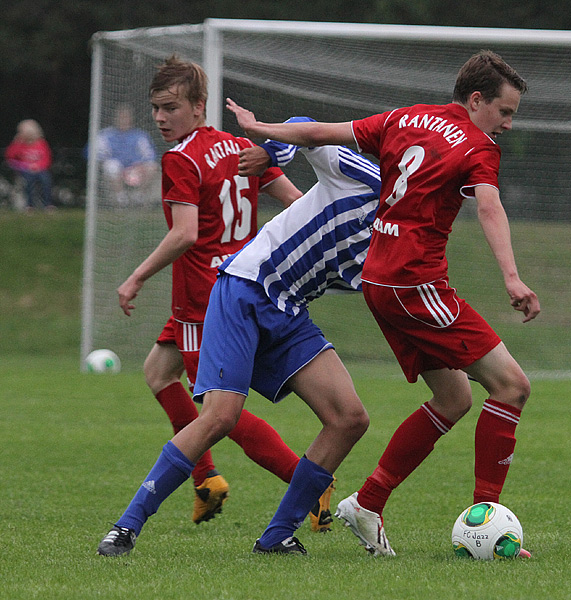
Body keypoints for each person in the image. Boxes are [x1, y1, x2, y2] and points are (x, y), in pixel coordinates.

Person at [227, 49, 540, 557]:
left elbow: (317, 133)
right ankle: (487, 523)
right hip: (415, 283)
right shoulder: (479, 147)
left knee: (455, 399)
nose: (507, 123)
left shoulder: (403, 118)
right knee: (511, 387)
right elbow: (489, 206)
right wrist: (512, 277)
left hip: (379, 281)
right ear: (476, 99)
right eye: (504, 112)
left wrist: (261, 126)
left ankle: (367, 503)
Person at [97, 116, 379, 557]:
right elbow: (305, 127)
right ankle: (126, 527)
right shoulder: (367, 176)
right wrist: (271, 151)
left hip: (288, 310)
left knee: (349, 418)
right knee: (219, 417)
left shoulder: (403, 236)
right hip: (245, 286)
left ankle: (276, 537)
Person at [109, 56, 332, 535]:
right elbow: (297, 202)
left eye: (171, 107)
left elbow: (185, 233)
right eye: (156, 108)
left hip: (203, 301)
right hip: (244, 285)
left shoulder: (181, 159)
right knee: (158, 372)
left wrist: (137, 276)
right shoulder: (240, 147)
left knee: (218, 412)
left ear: (199, 106)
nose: (161, 118)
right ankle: (206, 477)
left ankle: (304, 483)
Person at [94, 104, 158, 206]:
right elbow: (99, 156)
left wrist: (139, 166)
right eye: (121, 117)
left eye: (126, 117)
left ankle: (139, 197)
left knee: (152, 167)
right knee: (111, 166)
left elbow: (149, 155)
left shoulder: (140, 135)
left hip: (135, 170)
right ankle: (121, 199)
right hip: (117, 171)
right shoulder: (105, 135)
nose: (124, 120)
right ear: (116, 118)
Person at [4, 119, 53, 211]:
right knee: (29, 181)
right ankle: (29, 205)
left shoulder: (42, 144)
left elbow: (46, 159)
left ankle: (48, 204)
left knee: (45, 180)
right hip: (24, 169)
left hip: (40, 169)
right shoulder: (19, 144)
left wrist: (38, 166)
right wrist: (17, 143)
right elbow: (10, 156)